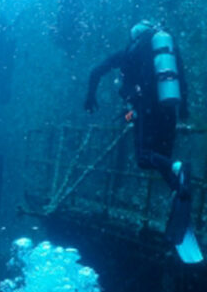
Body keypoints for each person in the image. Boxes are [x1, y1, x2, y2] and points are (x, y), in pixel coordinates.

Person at [84, 21, 199, 260]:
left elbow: (96, 71)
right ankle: (178, 188)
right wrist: (184, 107)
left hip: (146, 109)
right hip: (170, 107)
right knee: (162, 158)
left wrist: (90, 96)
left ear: (134, 36)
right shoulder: (167, 50)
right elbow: (182, 75)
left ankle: (178, 171)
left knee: (145, 158)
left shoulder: (131, 52)